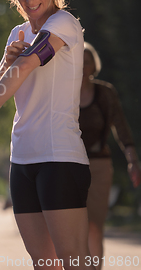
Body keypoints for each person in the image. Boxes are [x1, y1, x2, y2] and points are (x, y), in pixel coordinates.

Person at [0, 0, 95, 270]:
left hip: (60, 158)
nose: (30, 0)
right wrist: (6, 62)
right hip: (22, 161)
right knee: (44, 266)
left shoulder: (63, 23)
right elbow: (1, 82)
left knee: (75, 263)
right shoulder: (18, 34)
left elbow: (27, 65)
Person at [80, 42, 141, 268]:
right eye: (79, 60)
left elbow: (121, 127)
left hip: (98, 165)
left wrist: (132, 160)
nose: (83, 65)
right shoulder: (62, 92)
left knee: (94, 224)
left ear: (94, 65)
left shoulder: (105, 93)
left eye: (87, 61)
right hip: (67, 166)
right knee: (71, 226)